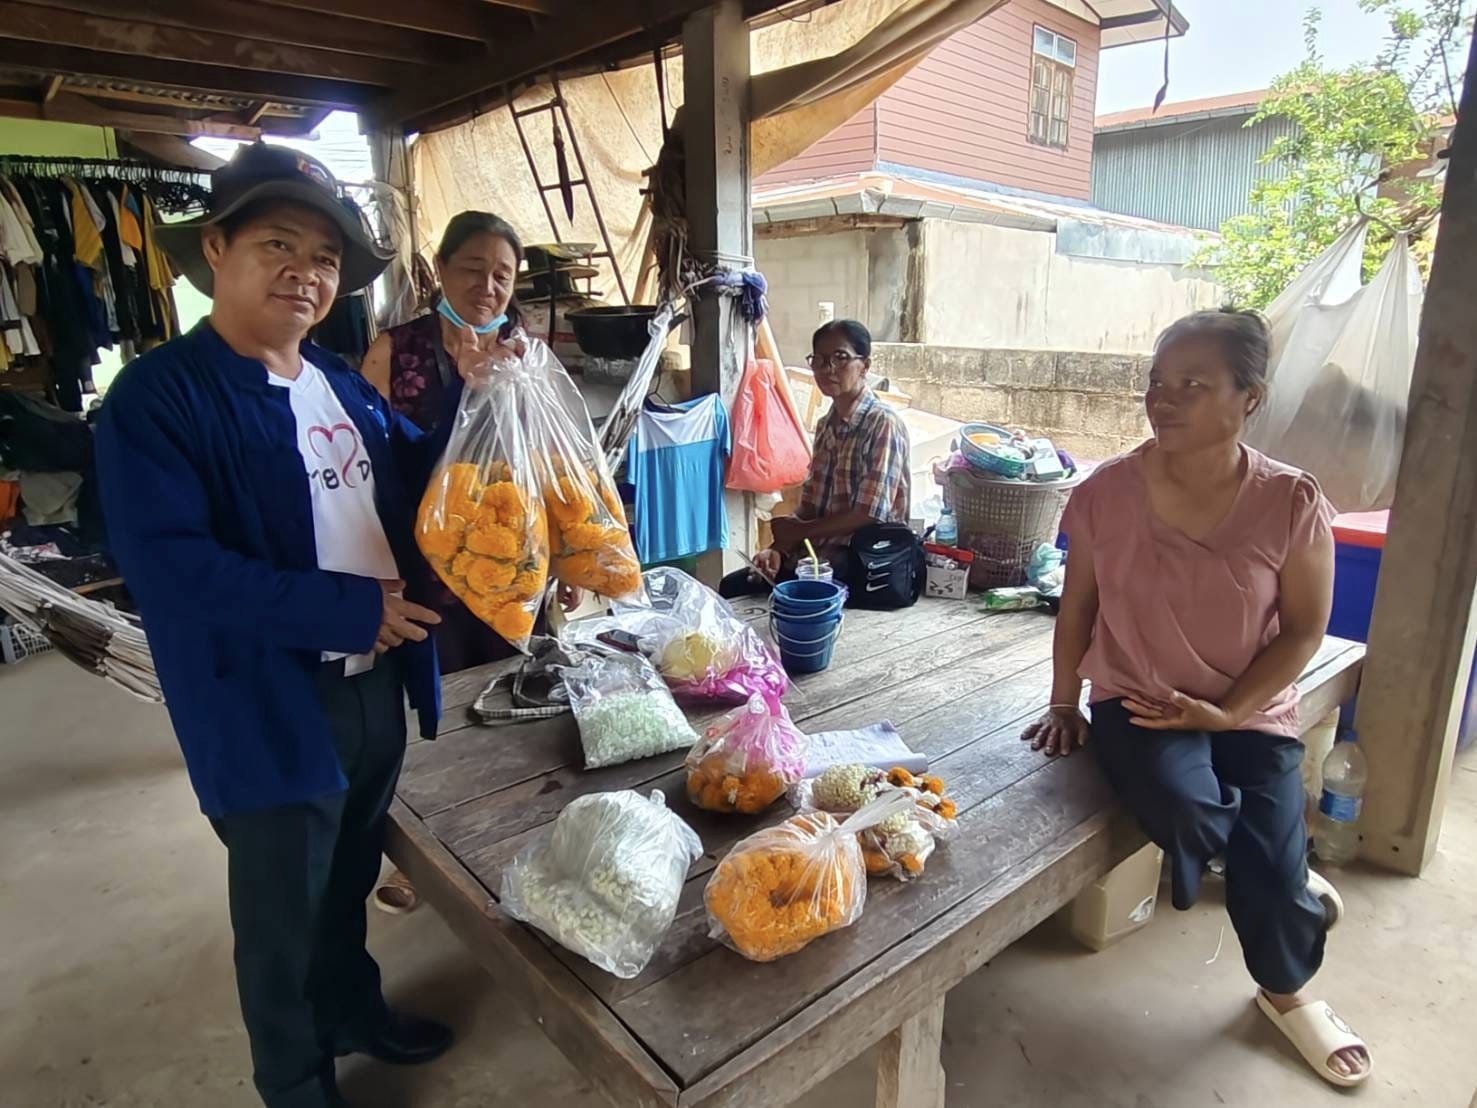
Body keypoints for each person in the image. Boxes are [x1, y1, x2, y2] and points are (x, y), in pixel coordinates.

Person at [95, 143, 452, 1108]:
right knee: (281, 910)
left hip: (376, 680)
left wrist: (503, 415)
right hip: (265, 701)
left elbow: (423, 473)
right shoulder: (158, 399)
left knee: (344, 878)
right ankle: (295, 1083)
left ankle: (353, 1014)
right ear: (216, 248)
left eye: (327, 257)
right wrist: (346, 610)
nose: (307, 272)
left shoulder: (338, 383)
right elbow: (173, 570)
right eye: (278, 243)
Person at [1020, 309, 1372, 1089]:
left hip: (1249, 703)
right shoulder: (1106, 493)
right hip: (1139, 698)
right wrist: (1062, 701)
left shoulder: (1289, 501)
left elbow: (1304, 630)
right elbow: (1076, 608)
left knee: (1263, 850)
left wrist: (1228, 711)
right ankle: (1278, 872)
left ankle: (1288, 990)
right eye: (1156, 383)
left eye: (1191, 385)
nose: (1163, 400)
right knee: (1186, 807)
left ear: (1249, 398)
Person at [361, 211, 580, 675]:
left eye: (502, 274)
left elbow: (549, 461)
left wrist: (564, 553)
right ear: (441, 268)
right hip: (425, 563)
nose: (488, 284)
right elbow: (365, 469)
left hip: (515, 559)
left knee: (518, 687)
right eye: (472, 268)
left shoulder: (526, 357)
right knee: (444, 702)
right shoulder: (393, 351)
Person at [720, 319, 910, 598]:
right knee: (734, 586)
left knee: (784, 600)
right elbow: (810, 505)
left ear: (865, 366)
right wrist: (777, 548)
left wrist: (798, 533)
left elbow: (870, 513)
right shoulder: (825, 427)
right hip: (819, 557)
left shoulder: (883, 424)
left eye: (840, 358)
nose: (827, 369)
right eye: (819, 360)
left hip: (867, 562)